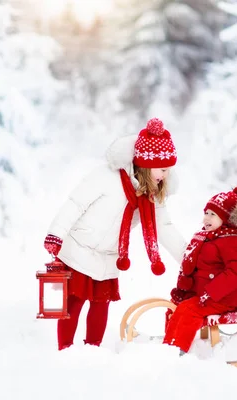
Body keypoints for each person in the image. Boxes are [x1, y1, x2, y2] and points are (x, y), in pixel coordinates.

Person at [43, 118, 187, 350]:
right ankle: (65, 350)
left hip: (109, 256)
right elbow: (75, 204)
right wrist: (56, 234)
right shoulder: (107, 176)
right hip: (79, 247)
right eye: (162, 169)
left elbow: (165, 227)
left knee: (101, 304)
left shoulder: (151, 195)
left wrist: (189, 259)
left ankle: (93, 350)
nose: (165, 175)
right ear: (147, 165)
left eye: (168, 170)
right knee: (74, 302)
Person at [163, 187, 237, 354]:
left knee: (188, 310)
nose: (206, 218)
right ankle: (168, 343)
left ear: (227, 218)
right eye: (206, 212)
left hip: (223, 297)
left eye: (212, 214)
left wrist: (211, 292)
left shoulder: (235, 242)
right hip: (205, 293)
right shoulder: (212, 236)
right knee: (176, 307)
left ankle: (176, 349)